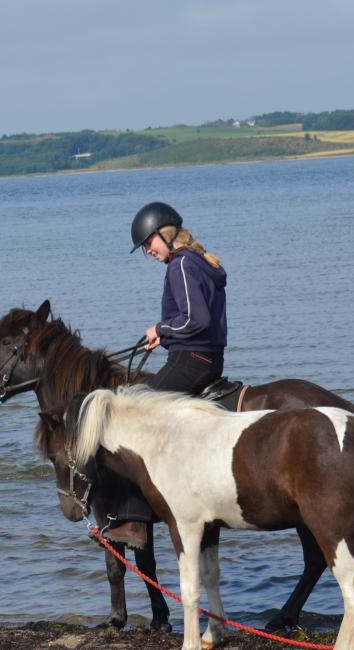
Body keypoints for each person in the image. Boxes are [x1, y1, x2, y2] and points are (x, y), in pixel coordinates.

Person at [105, 201, 228, 548]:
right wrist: (165, 335)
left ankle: (134, 521)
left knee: (134, 415)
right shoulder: (199, 262)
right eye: (145, 247)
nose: (148, 251)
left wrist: (161, 327)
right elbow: (193, 321)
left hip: (192, 360)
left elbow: (197, 320)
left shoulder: (182, 265)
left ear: (165, 233)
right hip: (201, 356)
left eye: (149, 243)